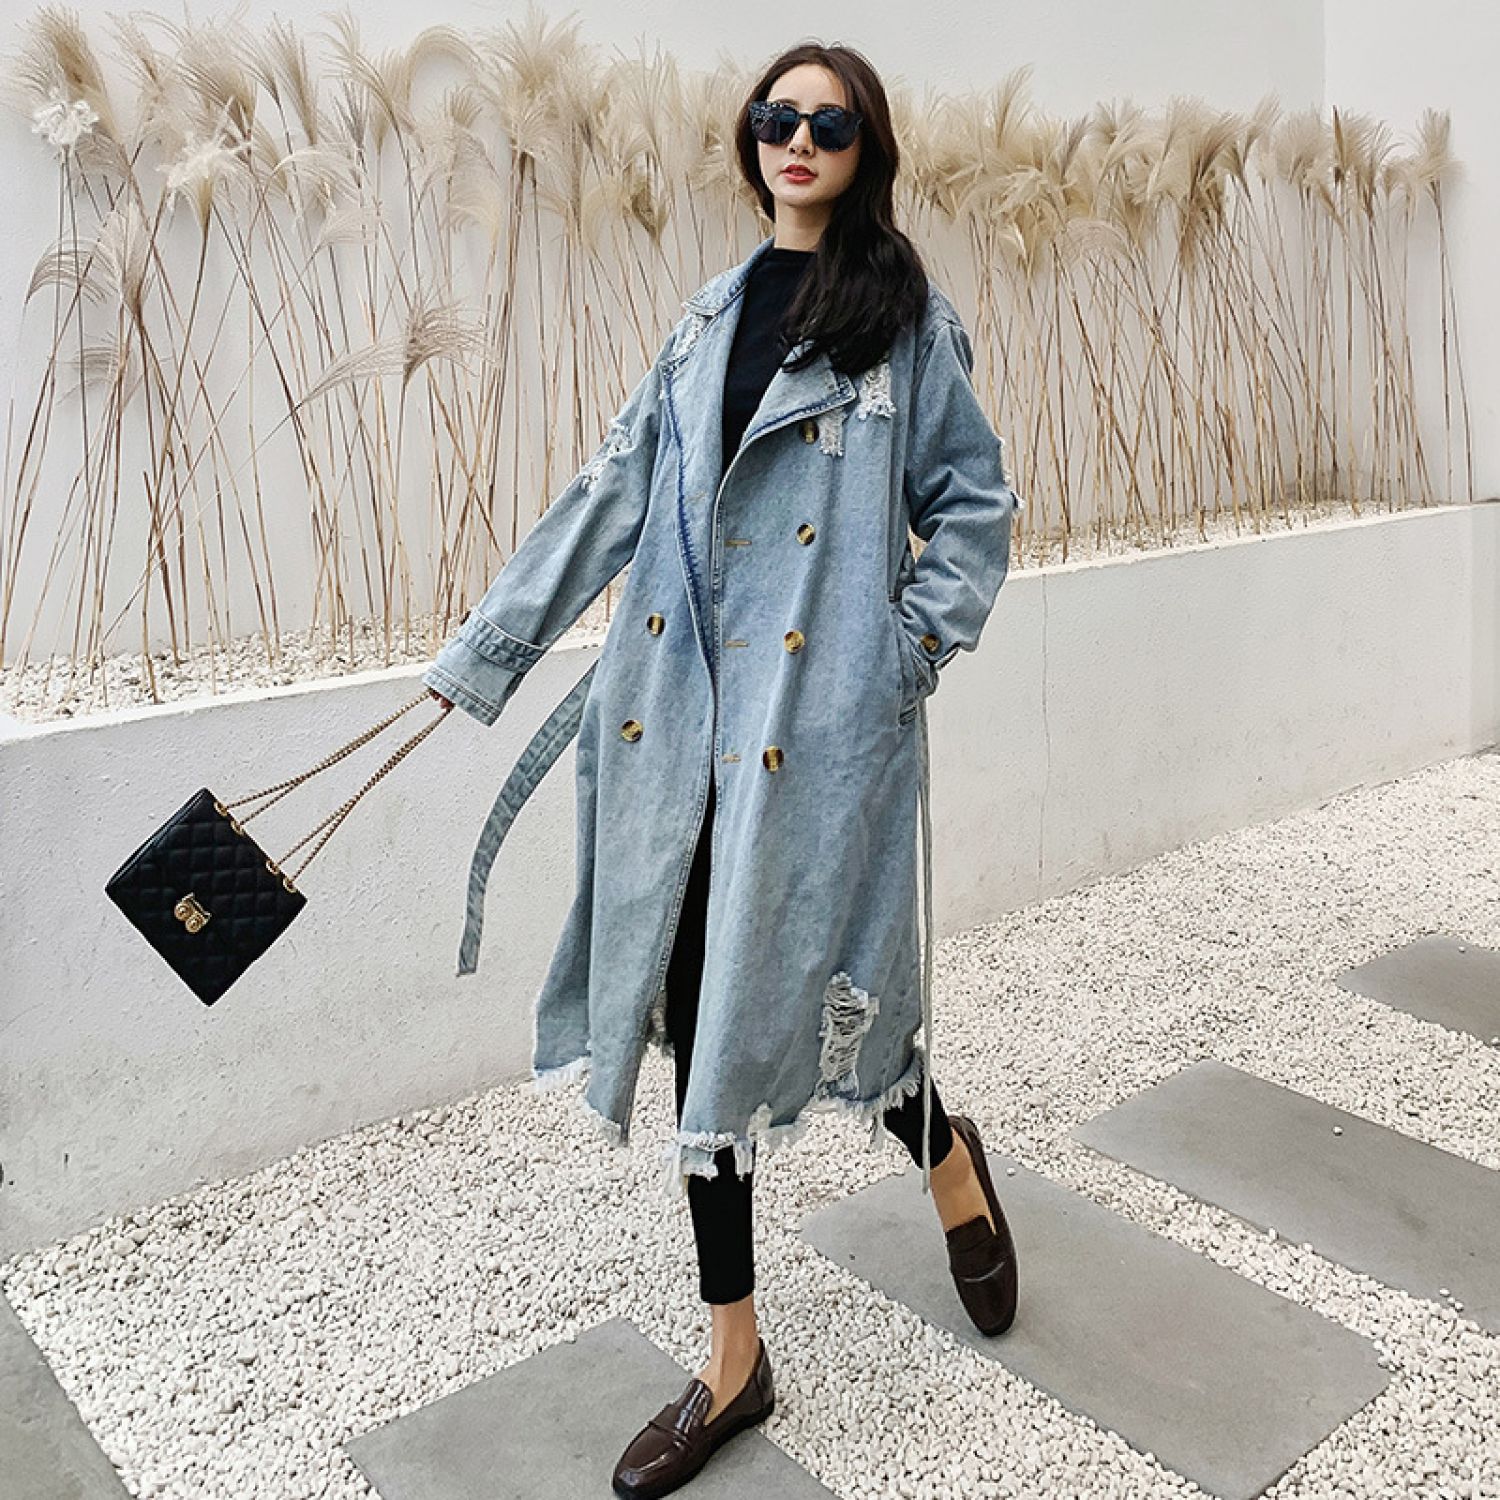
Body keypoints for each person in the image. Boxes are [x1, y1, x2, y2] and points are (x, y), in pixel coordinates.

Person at [427, 42, 1022, 1498]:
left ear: (866, 149)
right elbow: (613, 490)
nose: (796, 138)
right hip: (678, 726)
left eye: (828, 121)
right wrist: (485, 652)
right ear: (751, 139)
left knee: (839, 1005)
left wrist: (900, 657)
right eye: (775, 116)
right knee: (703, 1015)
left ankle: (944, 1152)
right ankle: (734, 1359)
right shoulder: (705, 323)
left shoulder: (903, 326)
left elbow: (976, 506)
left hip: (816, 734)